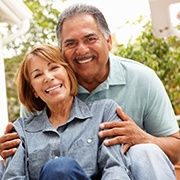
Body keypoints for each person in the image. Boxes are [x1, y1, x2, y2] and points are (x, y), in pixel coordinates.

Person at [0, 3, 179, 179]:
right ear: (61, 51)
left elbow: (175, 148)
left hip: (127, 172)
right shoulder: (49, 92)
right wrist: (11, 151)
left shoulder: (140, 80)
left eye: (90, 39)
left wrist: (144, 138)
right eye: (71, 43)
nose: (82, 50)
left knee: (143, 151)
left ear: (109, 41)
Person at [0, 44, 132, 180]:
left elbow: (115, 168)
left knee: (60, 168)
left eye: (54, 67)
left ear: (68, 73)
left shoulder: (105, 112)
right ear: (34, 90)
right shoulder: (21, 131)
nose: (48, 77)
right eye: (38, 75)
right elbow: (13, 177)